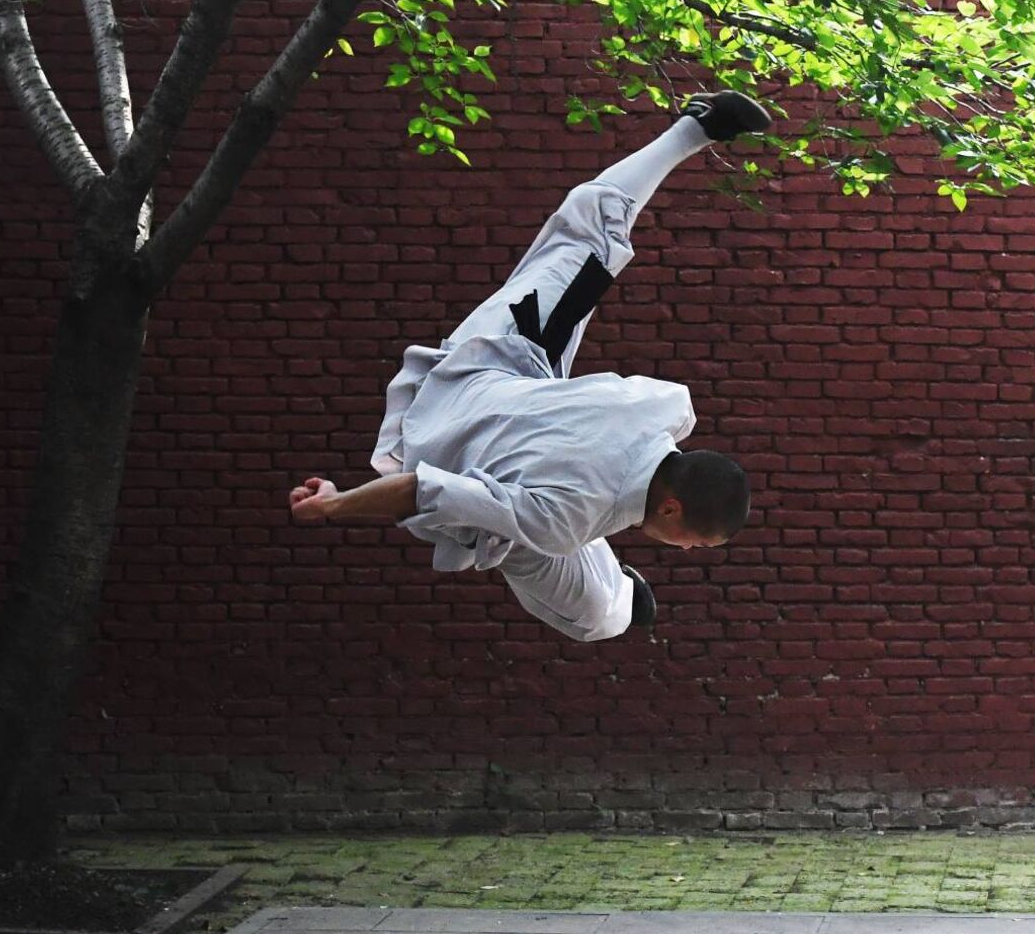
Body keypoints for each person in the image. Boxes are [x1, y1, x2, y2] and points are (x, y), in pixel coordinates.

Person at [290, 92, 770, 641]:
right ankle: (699, 126)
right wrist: (332, 505)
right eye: (694, 542)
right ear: (671, 507)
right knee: (590, 607)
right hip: (479, 420)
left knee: (586, 247)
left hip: (493, 366)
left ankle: (695, 129)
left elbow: (428, 489)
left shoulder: (666, 406)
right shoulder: (563, 521)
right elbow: (418, 490)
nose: (686, 551)